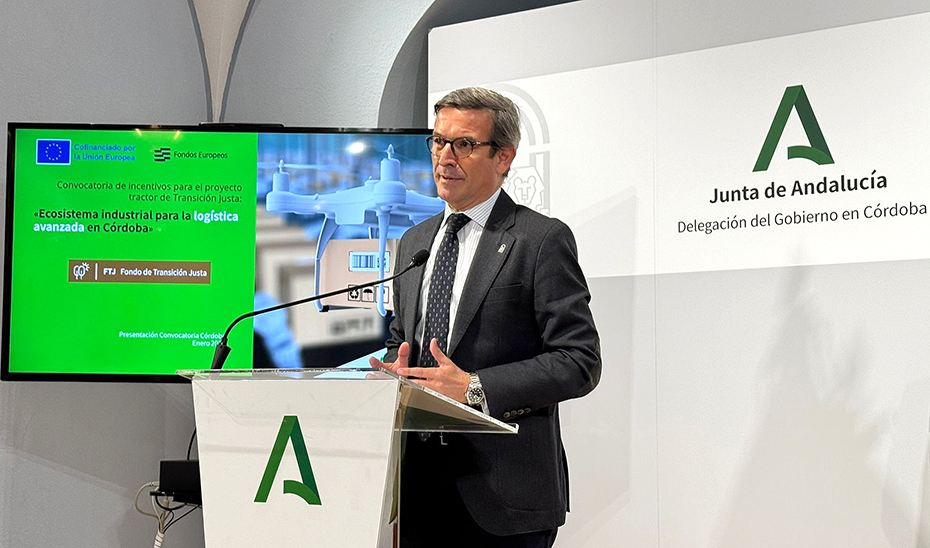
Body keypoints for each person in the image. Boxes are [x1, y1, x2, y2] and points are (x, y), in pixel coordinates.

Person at [369, 87, 601, 548]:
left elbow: (579, 361)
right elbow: (403, 340)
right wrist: (396, 371)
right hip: (418, 493)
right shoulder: (414, 242)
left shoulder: (539, 240)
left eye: (464, 144)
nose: (445, 157)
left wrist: (476, 388)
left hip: (504, 497)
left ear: (504, 157)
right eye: (438, 141)